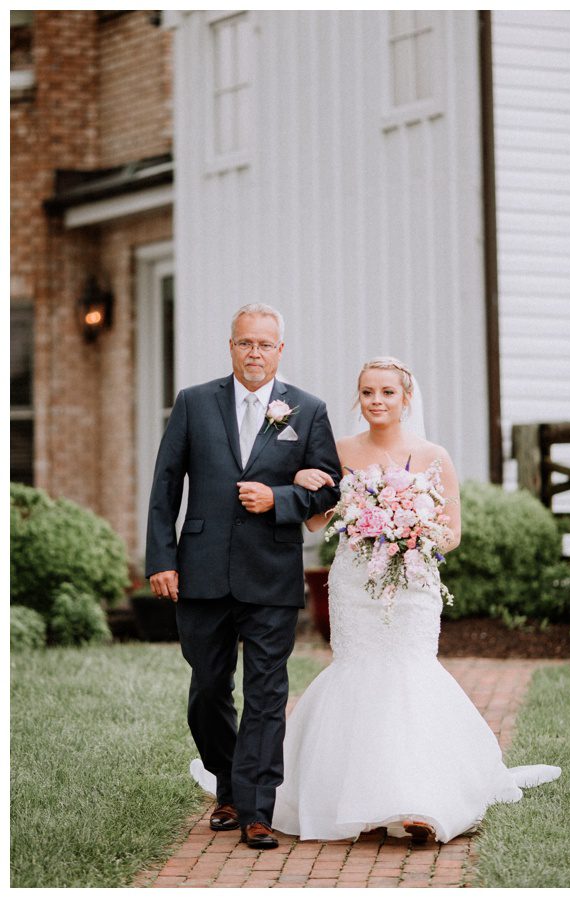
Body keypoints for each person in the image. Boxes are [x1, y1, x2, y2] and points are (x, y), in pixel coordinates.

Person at [214, 357, 562, 844]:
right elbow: (316, 523)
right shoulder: (337, 450)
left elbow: (452, 535)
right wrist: (302, 485)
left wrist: (407, 529)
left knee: (410, 674)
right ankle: (355, 798)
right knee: (360, 672)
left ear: (406, 398)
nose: (376, 401)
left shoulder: (434, 456)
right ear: (359, 398)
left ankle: (420, 801)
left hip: (414, 583)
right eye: (367, 392)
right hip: (355, 582)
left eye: (387, 393)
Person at [146, 304, 341, 850]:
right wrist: (162, 559)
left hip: (271, 572)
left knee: (265, 692)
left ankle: (257, 808)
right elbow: (166, 486)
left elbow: (329, 489)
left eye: (265, 345)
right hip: (201, 570)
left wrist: (279, 498)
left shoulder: (308, 409)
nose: (254, 353)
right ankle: (228, 783)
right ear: (231, 346)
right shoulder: (194, 402)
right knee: (208, 689)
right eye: (245, 343)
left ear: (281, 350)